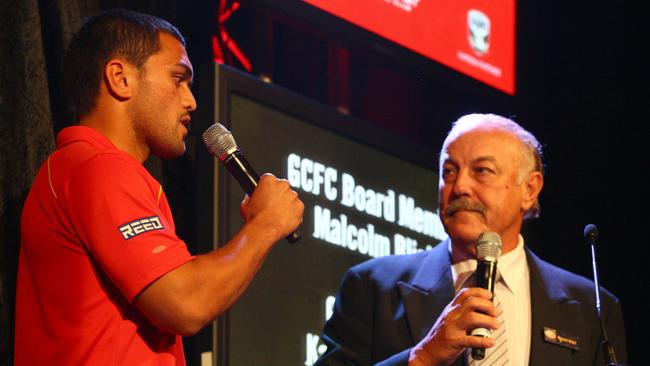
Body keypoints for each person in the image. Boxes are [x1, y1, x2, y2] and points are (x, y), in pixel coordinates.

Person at [14, 9, 304, 365]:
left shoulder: (84, 169)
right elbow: (185, 303)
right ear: (120, 78)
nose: (191, 101)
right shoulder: (98, 167)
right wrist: (266, 224)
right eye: (178, 78)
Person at [315, 114, 626, 366]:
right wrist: (422, 358)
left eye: (482, 171)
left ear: (530, 190)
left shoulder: (591, 308)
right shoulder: (372, 287)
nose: (460, 185)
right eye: (449, 171)